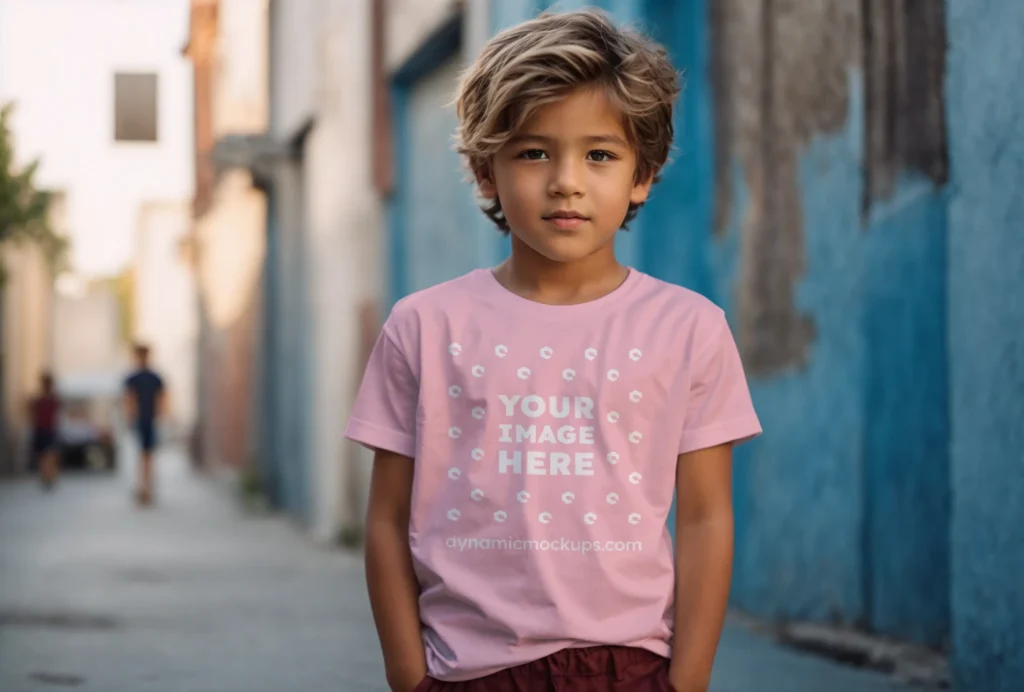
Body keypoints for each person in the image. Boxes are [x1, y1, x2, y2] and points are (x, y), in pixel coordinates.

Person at [345, 9, 762, 692]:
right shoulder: (424, 326)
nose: (567, 180)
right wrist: (407, 675)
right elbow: (388, 518)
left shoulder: (689, 328)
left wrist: (686, 682)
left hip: (630, 666)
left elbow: (707, 516)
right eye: (534, 152)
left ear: (642, 175)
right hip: (469, 670)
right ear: (486, 171)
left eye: (600, 155)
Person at [123, 343, 166, 507]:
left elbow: (161, 399)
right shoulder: (139, 378)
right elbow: (129, 400)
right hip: (142, 420)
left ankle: (146, 488)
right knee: (144, 456)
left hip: (147, 420)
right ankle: (145, 488)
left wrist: (160, 416)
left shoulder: (152, 377)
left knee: (146, 456)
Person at [28, 371, 61, 490]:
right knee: (44, 456)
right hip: (42, 430)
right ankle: (46, 476)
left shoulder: (52, 400)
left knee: (48, 456)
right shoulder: (39, 400)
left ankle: (49, 476)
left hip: (48, 431)